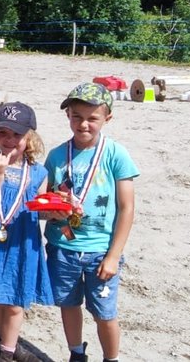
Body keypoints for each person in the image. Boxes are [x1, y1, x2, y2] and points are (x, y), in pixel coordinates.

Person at [44, 83, 139, 362]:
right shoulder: (57, 156)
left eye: (92, 118)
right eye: (77, 116)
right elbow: (46, 200)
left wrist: (113, 255)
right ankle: (76, 353)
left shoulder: (116, 154)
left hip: (100, 251)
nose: (83, 124)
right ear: (68, 116)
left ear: (107, 118)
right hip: (63, 247)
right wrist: (52, 211)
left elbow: (127, 207)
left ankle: (111, 358)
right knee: (68, 304)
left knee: (104, 313)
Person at [0, 102, 54, 362]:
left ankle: (6, 353)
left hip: (23, 244)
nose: (9, 140)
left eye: (16, 135)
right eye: (2, 133)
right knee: (0, 297)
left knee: (16, 301)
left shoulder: (39, 172)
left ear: (29, 137)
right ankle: (9, 343)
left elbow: (40, 209)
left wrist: (58, 211)